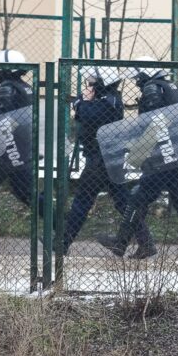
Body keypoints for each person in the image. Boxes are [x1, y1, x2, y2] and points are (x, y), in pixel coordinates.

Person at [98, 57, 178, 257]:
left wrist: (128, 138)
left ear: (144, 73)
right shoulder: (168, 85)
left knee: (137, 199)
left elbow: (150, 123)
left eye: (137, 77)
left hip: (163, 157)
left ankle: (121, 243)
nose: (136, 81)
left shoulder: (152, 89)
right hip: (177, 155)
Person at [61, 66, 155, 258]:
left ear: (102, 84)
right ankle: (145, 242)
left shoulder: (110, 102)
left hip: (102, 160)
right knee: (121, 202)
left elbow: (87, 115)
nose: (89, 87)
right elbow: (84, 116)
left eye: (92, 83)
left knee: (83, 201)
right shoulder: (104, 100)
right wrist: (84, 102)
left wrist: (80, 102)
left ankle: (62, 243)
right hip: (104, 159)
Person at [0, 49, 34, 214]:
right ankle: (57, 222)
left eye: (0, 68)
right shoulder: (25, 87)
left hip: (8, 148)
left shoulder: (8, 89)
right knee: (25, 192)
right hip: (21, 147)